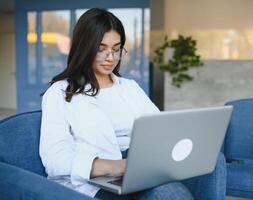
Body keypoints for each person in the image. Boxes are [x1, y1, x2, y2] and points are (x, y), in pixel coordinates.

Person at [40, 8, 203, 200]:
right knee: (169, 194)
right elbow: (54, 160)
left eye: (116, 49)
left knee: (209, 166)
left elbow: (160, 129)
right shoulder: (60, 92)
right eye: (101, 49)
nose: (111, 57)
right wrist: (115, 166)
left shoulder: (129, 88)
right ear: (84, 47)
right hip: (98, 178)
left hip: (140, 167)